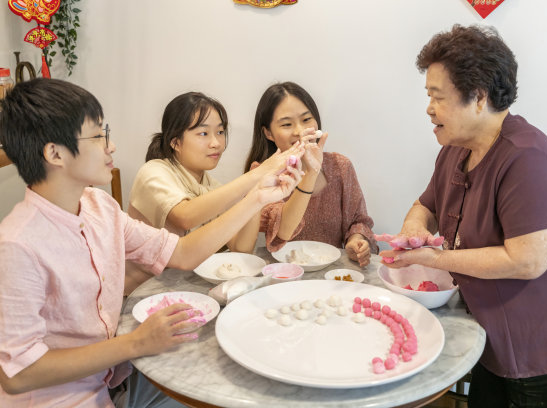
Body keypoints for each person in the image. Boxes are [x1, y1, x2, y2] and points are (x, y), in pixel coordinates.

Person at [0, 78, 303, 407]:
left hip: (110, 375)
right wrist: (135, 343)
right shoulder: (18, 245)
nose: (111, 146)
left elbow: (183, 252)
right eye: (99, 136)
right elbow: (18, 374)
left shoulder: (98, 207)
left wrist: (257, 198)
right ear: (55, 153)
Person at [380, 25, 547, 407]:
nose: (429, 108)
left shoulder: (528, 158)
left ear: (479, 97)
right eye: (428, 96)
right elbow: (427, 205)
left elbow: (527, 260)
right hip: (493, 338)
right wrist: (414, 228)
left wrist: (434, 258)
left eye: (437, 97)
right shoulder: (456, 149)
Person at [125, 92, 302, 293]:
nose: (216, 143)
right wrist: (255, 175)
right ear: (175, 142)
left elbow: (241, 248)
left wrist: (256, 194)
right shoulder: (153, 171)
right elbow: (185, 216)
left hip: (184, 290)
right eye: (203, 133)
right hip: (139, 293)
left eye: (220, 132)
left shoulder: (212, 186)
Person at [244, 81, 377, 266]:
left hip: (333, 276)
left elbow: (358, 220)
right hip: (283, 278)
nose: (300, 131)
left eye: (306, 120)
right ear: (268, 133)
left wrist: (357, 241)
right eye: (287, 124)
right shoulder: (261, 174)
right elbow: (282, 230)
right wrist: (310, 173)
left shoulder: (340, 166)